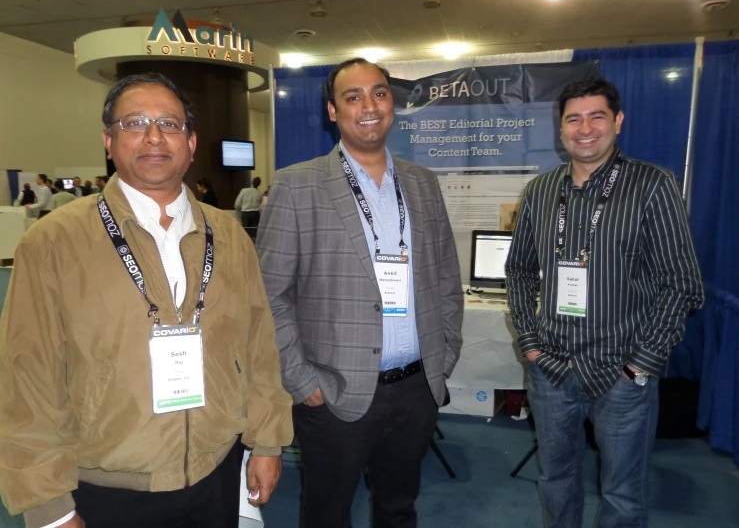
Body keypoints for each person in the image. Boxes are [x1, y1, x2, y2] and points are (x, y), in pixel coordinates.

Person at [0, 72, 293, 528]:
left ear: (191, 143)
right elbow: (28, 376)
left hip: (216, 471)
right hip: (108, 487)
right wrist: (49, 508)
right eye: (134, 123)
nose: (154, 136)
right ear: (109, 141)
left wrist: (268, 442)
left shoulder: (228, 234)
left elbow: (258, 348)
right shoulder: (54, 241)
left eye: (170, 124)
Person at [257, 58, 463, 528]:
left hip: (416, 389)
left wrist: (445, 354)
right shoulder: (296, 185)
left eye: (379, 93)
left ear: (393, 103)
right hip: (333, 393)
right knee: (327, 513)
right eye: (353, 97)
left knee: (398, 506)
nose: (368, 106)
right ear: (333, 111)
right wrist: (302, 381)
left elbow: (446, 277)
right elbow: (269, 295)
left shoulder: (423, 183)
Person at [505, 76, 704, 528]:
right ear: (561, 130)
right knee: (555, 479)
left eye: (597, 115)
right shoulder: (539, 192)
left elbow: (683, 283)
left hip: (622, 374)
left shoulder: (654, 186)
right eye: (573, 118)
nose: (585, 127)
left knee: (622, 494)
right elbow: (518, 271)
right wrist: (531, 346)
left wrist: (643, 362)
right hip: (552, 370)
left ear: (618, 121)